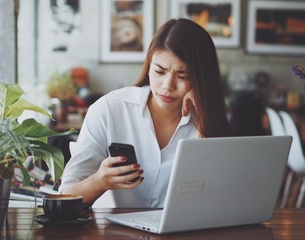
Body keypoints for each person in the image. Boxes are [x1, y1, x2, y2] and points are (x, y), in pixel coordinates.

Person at [59, 18, 230, 208]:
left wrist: (205, 119)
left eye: (183, 76)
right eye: (159, 71)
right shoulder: (109, 109)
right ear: (148, 66)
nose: (167, 86)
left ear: (202, 78)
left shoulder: (206, 119)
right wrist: (99, 181)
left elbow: (222, 197)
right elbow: (67, 194)